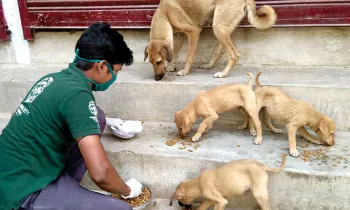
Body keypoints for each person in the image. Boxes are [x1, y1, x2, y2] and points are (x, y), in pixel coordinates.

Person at [0, 22, 143, 210]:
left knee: (97, 116)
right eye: (115, 72)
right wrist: (127, 190)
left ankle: (66, 186)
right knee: (121, 209)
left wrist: (107, 122)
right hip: (20, 191)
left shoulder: (53, 78)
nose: (114, 78)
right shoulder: (78, 96)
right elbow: (100, 174)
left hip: (13, 169)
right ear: (101, 66)